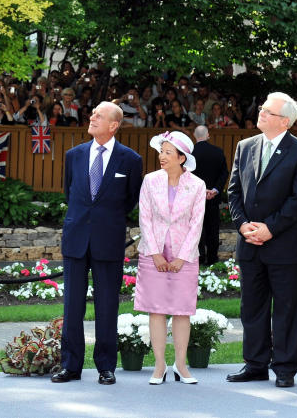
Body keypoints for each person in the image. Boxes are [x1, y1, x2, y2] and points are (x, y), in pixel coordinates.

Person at [227, 92, 297, 388]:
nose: (260, 113)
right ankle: (255, 364)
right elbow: (234, 192)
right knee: (251, 308)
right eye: (262, 108)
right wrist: (241, 226)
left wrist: (270, 228)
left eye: (267, 111)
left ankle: (285, 368)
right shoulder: (245, 146)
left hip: (285, 246)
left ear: (285, 122)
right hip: (249, 243)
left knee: (288, 309)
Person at [52, 101, 143, 385]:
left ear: (113, 125)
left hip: (109, 240)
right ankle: (71, 366)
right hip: (76, 239)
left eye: (99, 116)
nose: (92, 118)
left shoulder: (130, 160)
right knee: (72, 306)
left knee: (107, 307)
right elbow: (71, 193)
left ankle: (106, 366)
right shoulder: (74, 155)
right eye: (92, 114)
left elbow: (130, 200)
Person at [135, 131, 205, 385]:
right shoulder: (150, 180)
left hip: (183, 257)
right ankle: (159, 366)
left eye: (167, 152)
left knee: (181, 311)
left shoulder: (197, 185)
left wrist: (182, 257)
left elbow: (197, 224)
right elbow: (145, 218)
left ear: (181, 158)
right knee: (156, 310)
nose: (161, 157)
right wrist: (155, 253)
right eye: (160, 151)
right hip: (152, 253)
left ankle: (181, 365)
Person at [191, 125, 229, 265]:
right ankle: (212, 258)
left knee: (196, 227)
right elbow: (224, 173)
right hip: (212, 197)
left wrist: (200, 190)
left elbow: (186, 174)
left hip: (194, 198)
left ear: (195, 135)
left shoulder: (190, 153)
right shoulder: (218, 152)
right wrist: (215, 189)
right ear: (208, 135)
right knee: (213, 227)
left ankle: (199, 257)